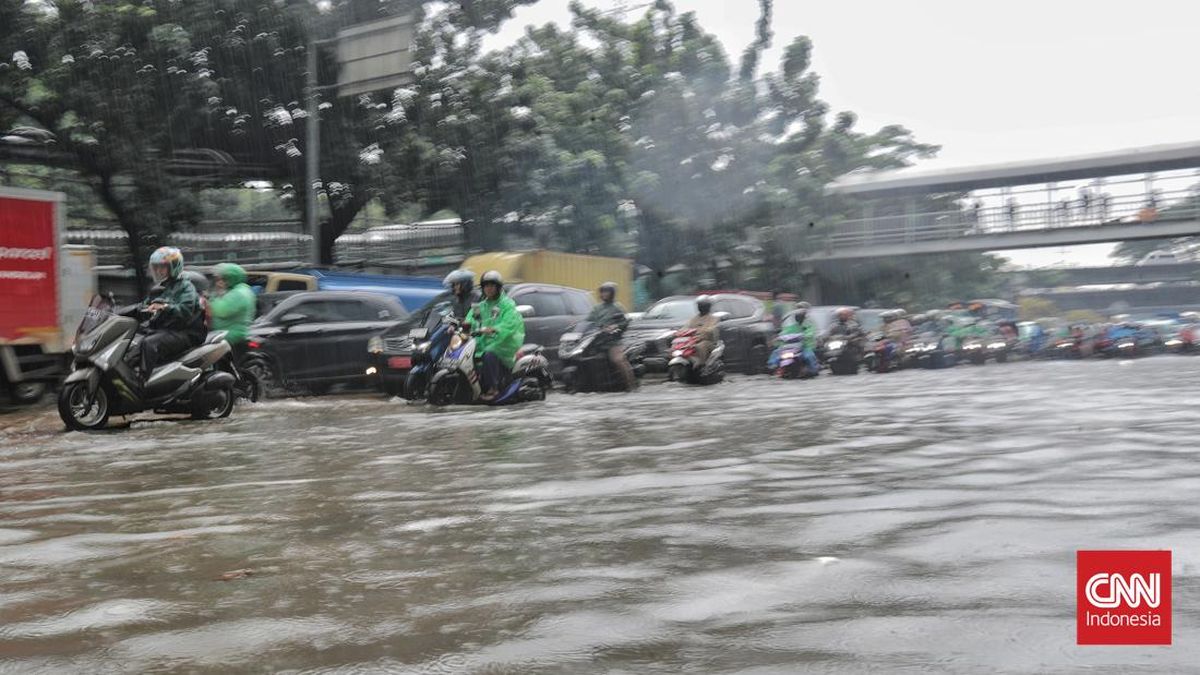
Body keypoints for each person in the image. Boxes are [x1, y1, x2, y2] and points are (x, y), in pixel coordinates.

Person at [138, 247, 204, 380]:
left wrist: (165, 307)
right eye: (155, 267)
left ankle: (143, 381)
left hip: (186, 332)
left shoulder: (186, 286)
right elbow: (145, 304)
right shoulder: (161, 287)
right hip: (167, 329)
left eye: (162, 267)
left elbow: (185, 310)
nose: (157, 270)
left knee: (149, 343)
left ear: (173, 267)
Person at [470, 270, 525, 401]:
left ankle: (493, 388)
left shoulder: (507, 304)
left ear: (498, 287)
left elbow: (509, 323)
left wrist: (494, 329)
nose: (489, 289)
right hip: (482, 342)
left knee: (489, 353)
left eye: (492, 286)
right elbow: (470, 319)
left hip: (504, 343)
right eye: (486, 286)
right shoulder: (480, 306)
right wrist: (459, 326)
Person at [585, 281, 637, 390]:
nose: (604, 294)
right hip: (596, 340)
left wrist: (615, 327)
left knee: (617, 360)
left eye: (607, 292)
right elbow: (588, 321)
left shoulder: (617, 307)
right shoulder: (597, 308)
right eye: (603, 292)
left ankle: (631, 386)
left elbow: (625, 322)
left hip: (612, 341)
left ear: (612, 293)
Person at [208, 263, 256, 356]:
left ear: (231, 278)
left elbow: (221, 311)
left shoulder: (239, 293)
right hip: (227, 334)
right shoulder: (237, 290)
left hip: (232, 337)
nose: (218, 283)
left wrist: (215, 295)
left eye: (222, 279)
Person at [768, 301, 819, 375]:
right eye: (797, 317)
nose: (798, 318)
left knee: (808, 356)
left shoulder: (809, 324)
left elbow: (811, 332)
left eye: (800, 317)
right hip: (790, 347)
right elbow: (785, 331)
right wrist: (778, 337)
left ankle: (813, 369)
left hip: (805, 346)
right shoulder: (792, 326)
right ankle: (772, 366)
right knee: (776, 352)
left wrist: (806, 335)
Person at [681, 294, 720, 364]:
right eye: (699, 305)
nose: (701, 307)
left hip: (708, 342)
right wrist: (678, 332)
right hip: (692, 341)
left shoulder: (713, 318)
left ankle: (702, 365)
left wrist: (700, 331)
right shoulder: (694, 318)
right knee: (679, 347)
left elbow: (711, 329)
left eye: (703, 305)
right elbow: (685, 328)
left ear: (708, 306)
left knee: (700, 346)